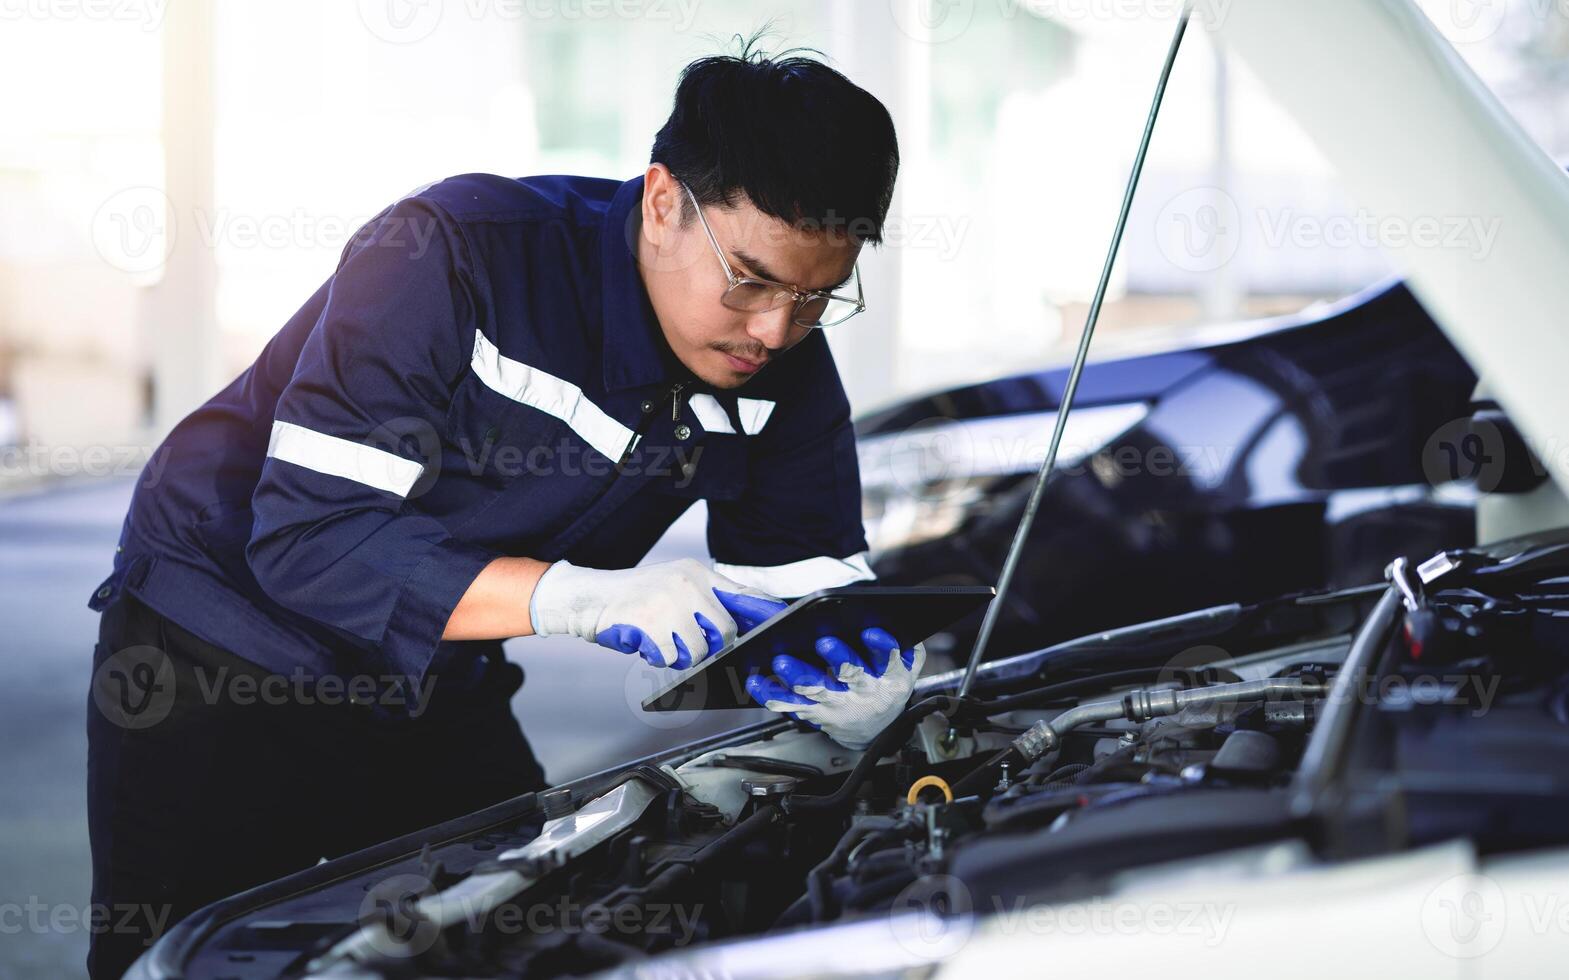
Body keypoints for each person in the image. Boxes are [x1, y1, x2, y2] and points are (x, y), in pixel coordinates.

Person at [85, 43, 915, 978]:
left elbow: (805, 580)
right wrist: (582, 599)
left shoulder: (781, 361)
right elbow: (310, 538)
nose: (774, 330)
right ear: (660, 202)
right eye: (751, 281)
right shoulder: (452, 252)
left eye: (814, 297)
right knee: (182, 955)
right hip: (224, 636)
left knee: (526, 918)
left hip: (440, 660)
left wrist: (860, 689)